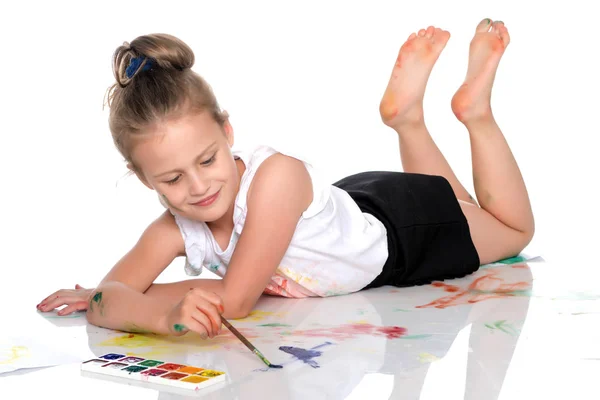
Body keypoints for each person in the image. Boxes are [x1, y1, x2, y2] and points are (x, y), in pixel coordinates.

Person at [37, 18, 534, 339]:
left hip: (398, 236)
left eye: (208, 160)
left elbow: (234, 300)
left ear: (228, 131)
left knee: (512, 230)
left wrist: (145, 308)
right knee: (459, 204)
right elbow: (107, 296)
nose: (198, 188)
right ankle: (407, 120)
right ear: (144, 179)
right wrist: (122, 299)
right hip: (356, 210)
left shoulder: (275, 178)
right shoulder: (174, 228)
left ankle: (477, 113)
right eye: (171, 178)